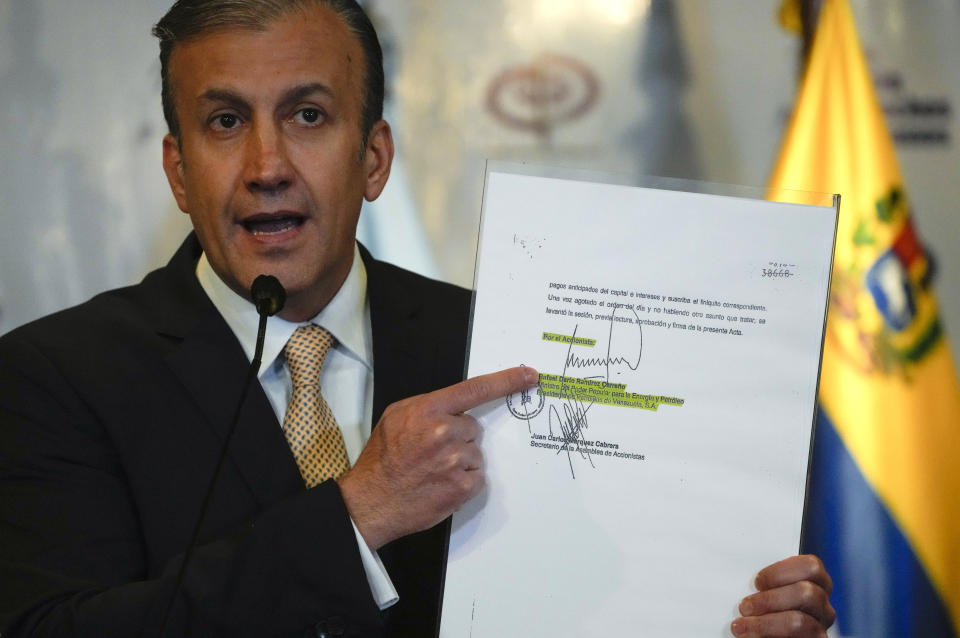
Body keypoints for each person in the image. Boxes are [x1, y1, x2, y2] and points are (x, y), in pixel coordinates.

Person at [0, 1, 836, 636]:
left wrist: (726, 614)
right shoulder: (55, 377)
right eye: (225, 123)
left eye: (308, 116)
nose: (265, 167)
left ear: (373, 159)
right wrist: (359, 512)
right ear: (179, 173)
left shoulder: (499, 344)